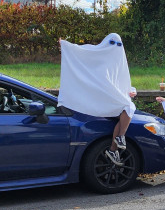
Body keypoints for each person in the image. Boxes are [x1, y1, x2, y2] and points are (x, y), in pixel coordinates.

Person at [57, 34, 137, 166]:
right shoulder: (97, 54)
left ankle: (114, 148)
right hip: (100, 97)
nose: (115, 47)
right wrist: (65, 45)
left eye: (118, 44)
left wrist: (131, 90)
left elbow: (122, 81)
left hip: (111, 98)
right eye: (112, 43)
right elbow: (82, 51)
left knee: (127, 109)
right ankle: (119, 138)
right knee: (129, 107)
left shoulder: (118, 61)